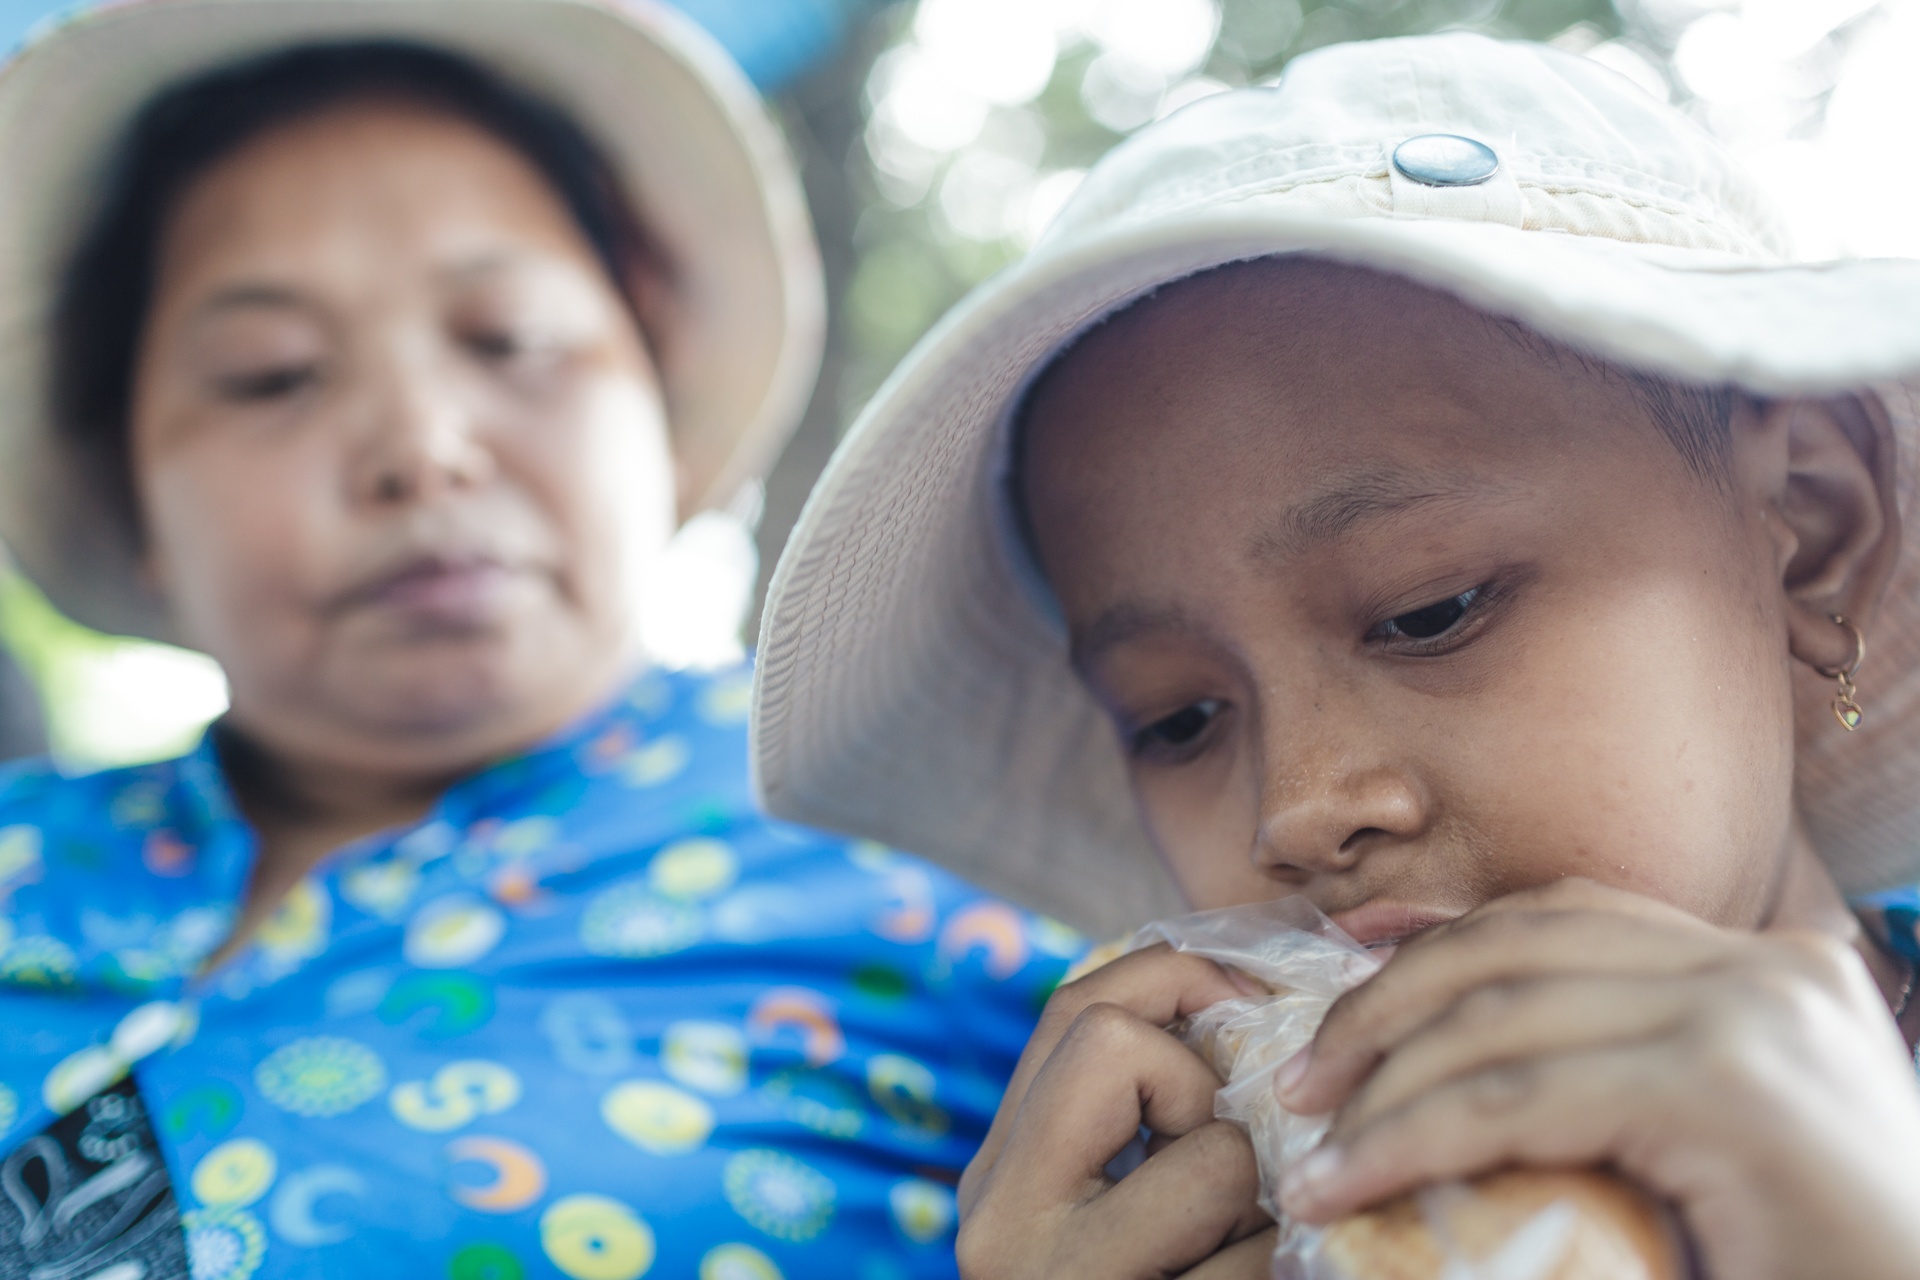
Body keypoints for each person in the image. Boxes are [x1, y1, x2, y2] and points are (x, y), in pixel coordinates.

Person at [749, 33, 1920, 1280]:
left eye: (1432, 609)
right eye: (1178, 716)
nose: (1297, 811)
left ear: (1811, 532)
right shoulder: (1182, 1221)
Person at [0, 4, 1074, 1277]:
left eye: (510, 339)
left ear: (656, 393)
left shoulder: (957, 832)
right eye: (273, 373)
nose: (421, 447)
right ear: (136, 500)